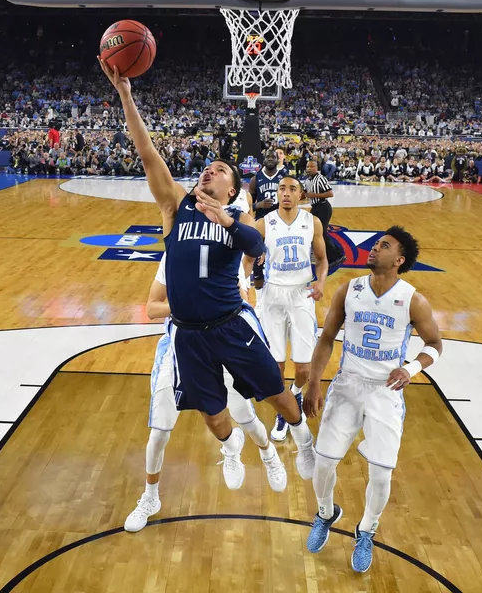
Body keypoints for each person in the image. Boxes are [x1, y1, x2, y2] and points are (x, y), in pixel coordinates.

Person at [99, 58, 311, 490]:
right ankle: (231, 449)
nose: (209, 171)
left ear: (231, 189)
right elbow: (147, 152)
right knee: (214, 416)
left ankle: (303, 439)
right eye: (207, 168)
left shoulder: (238, 216)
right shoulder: (175, 207)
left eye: (220, 171)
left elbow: (259, 248)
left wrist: (229, 222)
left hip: (231, 323)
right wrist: (125, 95)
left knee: (276, 393)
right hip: (188, 333)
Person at [302, 226, 443, 573]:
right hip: (347, 385)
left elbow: (435, 346)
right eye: (376, 243)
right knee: (323, 463)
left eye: (384, 245)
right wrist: (313, 383)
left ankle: (366, 530)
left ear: (398, 260)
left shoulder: (413, 299)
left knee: (381, 475)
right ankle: (325, 513)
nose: (374, 248)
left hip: (385, 391)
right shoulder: (349, 290)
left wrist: (411, 368)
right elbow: (326, 339)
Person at [124, 255, 286, 532]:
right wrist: (189, 303)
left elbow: (240, 298)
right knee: (158, 433)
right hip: (177, 346)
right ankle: (150, 499)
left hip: (220, 343)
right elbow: (152, 308)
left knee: (244, 416)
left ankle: (268, 454)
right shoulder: (173, 255)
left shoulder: (226, 252)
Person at [249, 176, 328, 447]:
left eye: (292, 189)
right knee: (277, 366)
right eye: (282, 188)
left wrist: (321, 281)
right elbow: (247, 256)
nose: (285, 193)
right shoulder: (264, 223)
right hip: (272, 294)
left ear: (300, 195)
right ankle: (284, 414)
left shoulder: (312, 222)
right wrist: (242, 282)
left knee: (304, 368)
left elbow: (323, 260)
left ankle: (294, 394)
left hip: (302, 293)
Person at [248, 150, 287, 303]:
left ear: (278, 160)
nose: (270, 159)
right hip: (261, 224)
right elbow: (248, 206)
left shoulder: (284, 178)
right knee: (258, 261)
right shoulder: (255, 179)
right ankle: (259, 301)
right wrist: (259, 204)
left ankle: (279, 297)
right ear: (263, 160)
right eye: (268, 157)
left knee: (280, 259)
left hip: (280, 223)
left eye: (273, 157)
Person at [302, 160, 345, 268]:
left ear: (316, 168)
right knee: (312, 230)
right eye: (307, 166)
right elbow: (305, 193)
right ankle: (321, 251)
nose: (309, 168)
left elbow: (330, 193)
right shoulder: (307, 180)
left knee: (321, 232)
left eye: (312, 166)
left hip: (323, 207)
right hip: (315, 208)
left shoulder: (321, 178)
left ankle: (336, 256)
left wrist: (314, 195)